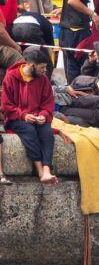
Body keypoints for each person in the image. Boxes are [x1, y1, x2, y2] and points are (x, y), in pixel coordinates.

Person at [1, 49, 58, 184]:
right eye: (42, 67)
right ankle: (40, 170)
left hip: (37, 117)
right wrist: (23, 115)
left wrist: (44, 115)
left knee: (47, 132)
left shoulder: (43, 80)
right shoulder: (10, 77)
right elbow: (6, 106)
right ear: (31, 65)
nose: (44, 71)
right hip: (15, 119)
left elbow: (48, 103)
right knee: (29, 130)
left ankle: (47, 169)